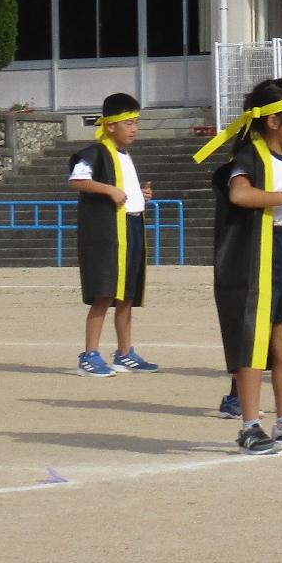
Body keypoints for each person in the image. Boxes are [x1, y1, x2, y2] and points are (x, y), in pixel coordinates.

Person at [199, 77, 282, 454]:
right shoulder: (249, 157)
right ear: (273, 121)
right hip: (258, 257)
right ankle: (249, 426)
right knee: (253, 342)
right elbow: (239, 194)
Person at [68, 93, 158, 378]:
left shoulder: (125, 155)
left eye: (136, 123)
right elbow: (77, 180)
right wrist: (108, 190)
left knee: (127, 295)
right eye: (128, 123)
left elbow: (123, 188)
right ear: (110, 126)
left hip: (132, 228)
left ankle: (124, 352)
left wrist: (140, 194)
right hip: (109, 233)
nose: (134, 129)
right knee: (104, 293)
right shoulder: (97, 152)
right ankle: (89, 354)